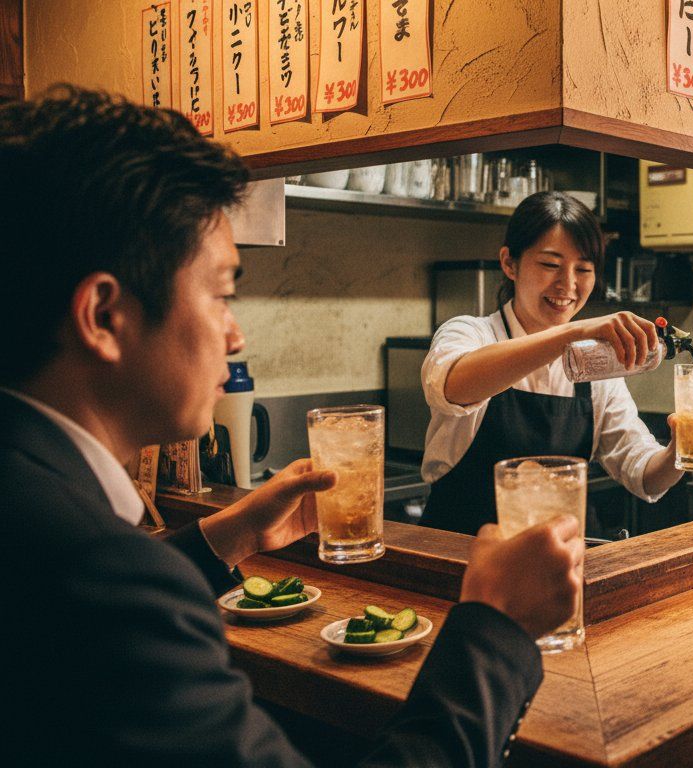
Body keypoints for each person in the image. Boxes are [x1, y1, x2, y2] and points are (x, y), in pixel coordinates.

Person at [0, 85, 583, 766]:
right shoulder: (106, 581)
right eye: (221, 293)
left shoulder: (36, 504)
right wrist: (495, 630)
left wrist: (227, 536)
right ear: (103, 315)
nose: (235, 333)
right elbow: (108, 601)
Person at [419, 191, 693, 535]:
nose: (568, 284)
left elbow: (642, 472)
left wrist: (678, 449)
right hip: (460, 563)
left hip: (557, 569)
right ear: (510, 263)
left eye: (583, 269)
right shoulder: (469, 333)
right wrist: (572, 332)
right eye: (551, 264)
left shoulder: (596, 369)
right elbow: (452, 385)